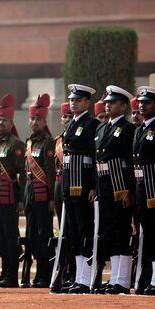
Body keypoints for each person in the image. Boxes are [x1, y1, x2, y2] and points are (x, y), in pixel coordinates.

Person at [93, 85, 136, 294]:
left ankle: (122, 280)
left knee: (122, 230)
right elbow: (97, 160)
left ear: (123, 106)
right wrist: (94, 187)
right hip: (104, 185)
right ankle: (114, 279)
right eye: (107, 102)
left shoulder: (128, 130)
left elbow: (130, 160)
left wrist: (129, 189)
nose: (108, 106)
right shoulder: (102, 128)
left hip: (120, 185)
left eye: (112, 103)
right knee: (109, 231)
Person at [61, 84, 99, 294]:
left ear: (86, 102)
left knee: (84, 229)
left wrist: (93, 186)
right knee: (73, 231)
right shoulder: (71, 125)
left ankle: (87, 278)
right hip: (70, 183)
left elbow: (94, 157)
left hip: (83, 183)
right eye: (71, 99)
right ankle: (78, 277)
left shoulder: (90, 124)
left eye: (77, 100)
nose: (73, 102)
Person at [132, 86, 155, 295]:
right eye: (140, 102)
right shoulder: (138, 130)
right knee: (148, 234)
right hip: (141, 189)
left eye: (146, 102)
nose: (142, 105)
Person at [0, 94, 25, 288]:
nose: (0, 123)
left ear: (11, 121)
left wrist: (21, 198)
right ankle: (3, 272)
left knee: (9, 235)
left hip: (11, 195)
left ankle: (12, 274)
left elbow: (22, 175)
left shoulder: (16, 144)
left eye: (4, 120)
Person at [24, 94, 56, 288]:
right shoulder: (29, 143)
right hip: (30, 194)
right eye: (32, 118)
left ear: (44, 121)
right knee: (32, 234)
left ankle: (45, 272)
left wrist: (52, 197)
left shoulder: (47, 143)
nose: (34, 122)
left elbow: (51, 174)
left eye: (38, 119)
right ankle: (38, 271)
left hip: (43, 195)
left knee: (44, 234)